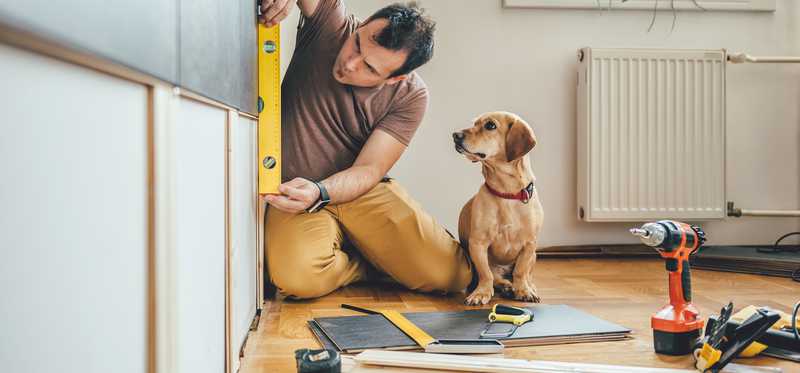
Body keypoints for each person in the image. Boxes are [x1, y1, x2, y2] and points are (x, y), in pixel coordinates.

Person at [259, 0, 473, 299]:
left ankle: (374, 252)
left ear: (395, 78)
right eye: (357, 44)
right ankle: (366, 264)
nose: (350, 63)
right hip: (295, 192)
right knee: (297, 279)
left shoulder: (411, 96)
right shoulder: (331, 25)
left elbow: (369, 169)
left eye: (369, 67)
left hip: (360, 189)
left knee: (453, 276)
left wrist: (321, 191)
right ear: (360, 26)